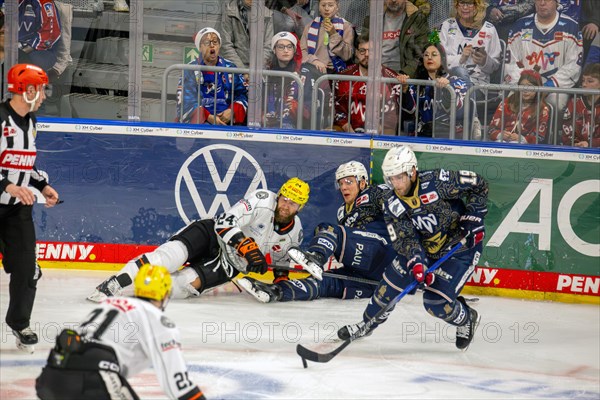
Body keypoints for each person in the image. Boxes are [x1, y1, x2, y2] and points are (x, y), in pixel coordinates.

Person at [338, 146, 488, 352]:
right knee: (387, 288)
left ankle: (467, 318)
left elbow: (479, 185)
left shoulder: (438, 182)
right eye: (391, 178)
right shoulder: (391, 204)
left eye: (399, 177)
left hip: (460, 246)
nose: (396, 184)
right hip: (425, 249)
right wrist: (417, 261)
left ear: (412, 171)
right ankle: (367, 324)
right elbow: (405, 238)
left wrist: (474, 216)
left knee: (436, 304)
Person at [87, 177, 310, 302]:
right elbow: (225, 222)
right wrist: (247, 247)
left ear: (301, 207)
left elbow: (281, 260)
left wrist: (281, 285)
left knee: (182, 286)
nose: (286, 205)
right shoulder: (262, 199)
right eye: (285, 199)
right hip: (212, 235)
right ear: (279, 195)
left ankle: (134, 294)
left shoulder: (295, 232)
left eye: (293, 203)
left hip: (229, 265)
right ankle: (115, 283)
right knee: (168, 257)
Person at [36, 264, 206, 400]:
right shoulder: (157, 319)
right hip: (93, 377)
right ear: (165, 294)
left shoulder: (109, 303)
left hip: (51, 376)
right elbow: (177, 385)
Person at [237, 161, 396, 304]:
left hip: (384, 254)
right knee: (321, 282)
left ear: (362, 183)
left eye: (349, 181)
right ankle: (276, 291)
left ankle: (316, 257)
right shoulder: (342, 212)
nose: (343, 187)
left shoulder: (374, 193)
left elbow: (404, 207)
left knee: (329, 229)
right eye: (340, 183)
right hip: (372, 278)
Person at [0, 63, 60, 353]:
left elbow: (25, 163)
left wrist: (41, 186)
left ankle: (19, 323)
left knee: (28, 269)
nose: (45, 95)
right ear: (28, 90)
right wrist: (7, 186)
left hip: (16, 210)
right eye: (42, 88)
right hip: (4, 197)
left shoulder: (32, 122)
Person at [504, 0, 583, 112]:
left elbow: (573, 65)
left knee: (556, 104)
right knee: (510, 103)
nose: (542, 3)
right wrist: (524, 85)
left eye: (547, 0)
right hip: (523, 85)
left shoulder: (571, 27)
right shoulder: (519, 26)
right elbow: (513, 61)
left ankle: (553, 130)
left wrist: (549, 85)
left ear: (557, 2)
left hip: (556, 88)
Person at [397, 35, 470, 138]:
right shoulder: (418, 83)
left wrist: (446, 89)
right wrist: (405, 90)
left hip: (449, 135)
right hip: (423, 134)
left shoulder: (456, 82)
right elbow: (410, 109)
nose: (429, 57)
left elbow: (456, 109)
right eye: (426, 55)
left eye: (434, 54)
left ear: (443, 59)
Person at [333, 32, 404, 134]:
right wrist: (350, 132)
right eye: (362, 51)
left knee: (389, 131)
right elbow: (338, 110)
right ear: (356, 53)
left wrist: (376, 132)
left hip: (380, 132)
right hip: (350, 131)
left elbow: (392, 116)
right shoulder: (343, 77)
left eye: (371, 51)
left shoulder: (391, 79)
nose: (367, 54)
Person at [175, 27, 248, 125]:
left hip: (229, 122)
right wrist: (208, 117)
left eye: (215, 42)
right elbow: (186, 101)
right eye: (207, 43)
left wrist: (232, 111)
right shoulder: (190, 69)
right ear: (200, 47)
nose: (212, 46)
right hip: (201, 123)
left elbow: (242, 94)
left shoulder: (230, 67)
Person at [440, 0, 502, 87]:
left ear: (477, 6)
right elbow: (438, 60)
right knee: (459, 73)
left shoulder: (489, 29)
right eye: (462, 3)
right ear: (456, 5)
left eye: (469, 3)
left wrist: (485, 61)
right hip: (448, 82)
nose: (465, 7)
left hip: (478, 85)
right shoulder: (447, 26)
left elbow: (495, 66)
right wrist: (461, 58)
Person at [362, 0, 429, 76]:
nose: (393, 0)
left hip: (403, 78)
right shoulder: (371, 19)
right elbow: (361, 49)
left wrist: (405, 74)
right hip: (375, 77)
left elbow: (421, 52)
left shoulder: (417, 19)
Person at [488, 69, 550, 144]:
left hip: (527, 147)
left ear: (538, 88)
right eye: (522, 86)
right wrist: (500, 135)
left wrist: (521, 139)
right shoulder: (507, 102)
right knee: (499, 142)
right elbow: (491, 129)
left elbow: (539, 136)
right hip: (503, 141)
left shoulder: (543, 109)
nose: (525, 90)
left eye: (530, 87)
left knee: (514, 144)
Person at [300, 0, 354, 74]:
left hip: (337, 70)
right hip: (314, 69)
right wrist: (314, 60)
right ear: (319, 7)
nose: (326, 8)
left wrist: (333, 34)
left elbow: (347, 55)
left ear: (337, 7)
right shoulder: (309, 27)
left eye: (330, 5)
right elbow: (302, 51)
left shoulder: (346, 26)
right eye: (323, 5)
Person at [218, 0, 274, 69]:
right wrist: (241, 70)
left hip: (259, 70)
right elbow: (226, 45)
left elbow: (268, 47)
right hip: (235, 69)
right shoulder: (229, 11)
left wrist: (255, 71)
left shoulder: (267, 14)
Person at [561, 63, 600, 147]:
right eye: (583, 80)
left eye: (590, 81)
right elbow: (567, 129)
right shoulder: (574, 102)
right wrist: (575, 143)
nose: (584, 84)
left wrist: (590, 144)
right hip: (576, 148)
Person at [18, 0, 62, 73]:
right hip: (12, 47)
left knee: (27, 66)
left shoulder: (44, 2)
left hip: (40, 50)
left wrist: (21, 51)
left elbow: (50, 34)